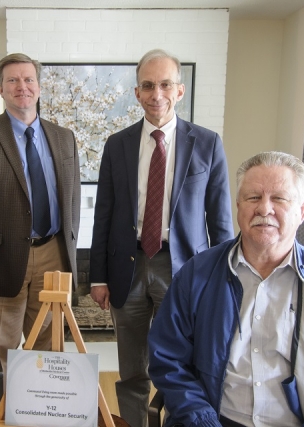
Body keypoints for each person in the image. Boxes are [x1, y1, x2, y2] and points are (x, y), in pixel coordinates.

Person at [148, 151, 304, 427]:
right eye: (253, 197)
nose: (264, 209)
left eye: (279, 198)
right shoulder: (197, 275)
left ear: (301, 210)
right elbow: (167, 359)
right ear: (239, 205)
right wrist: (202, 419)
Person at [90, 49, 234, 427]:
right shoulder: (116, 145)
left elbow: (220, 220)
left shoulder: (207, 143)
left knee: (181, 363)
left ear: (180, 90)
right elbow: (103, 214)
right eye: (148, 86)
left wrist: (225, 279)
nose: (157, 94)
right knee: (132, 366)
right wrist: (98, 276)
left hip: (185, 269)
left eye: (165, 84)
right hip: (128, 266)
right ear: (136, 93)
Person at [0, 53, 80, 378]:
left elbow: (72, 197)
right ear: (0, 88)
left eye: (28, 79)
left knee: (49, 344)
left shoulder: (64, 138)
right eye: (13, 80)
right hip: (1, 258)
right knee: (1, 346)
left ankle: (42, 409)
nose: (22, 86)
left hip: (53, 252)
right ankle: (4, 413)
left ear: (38, 85)